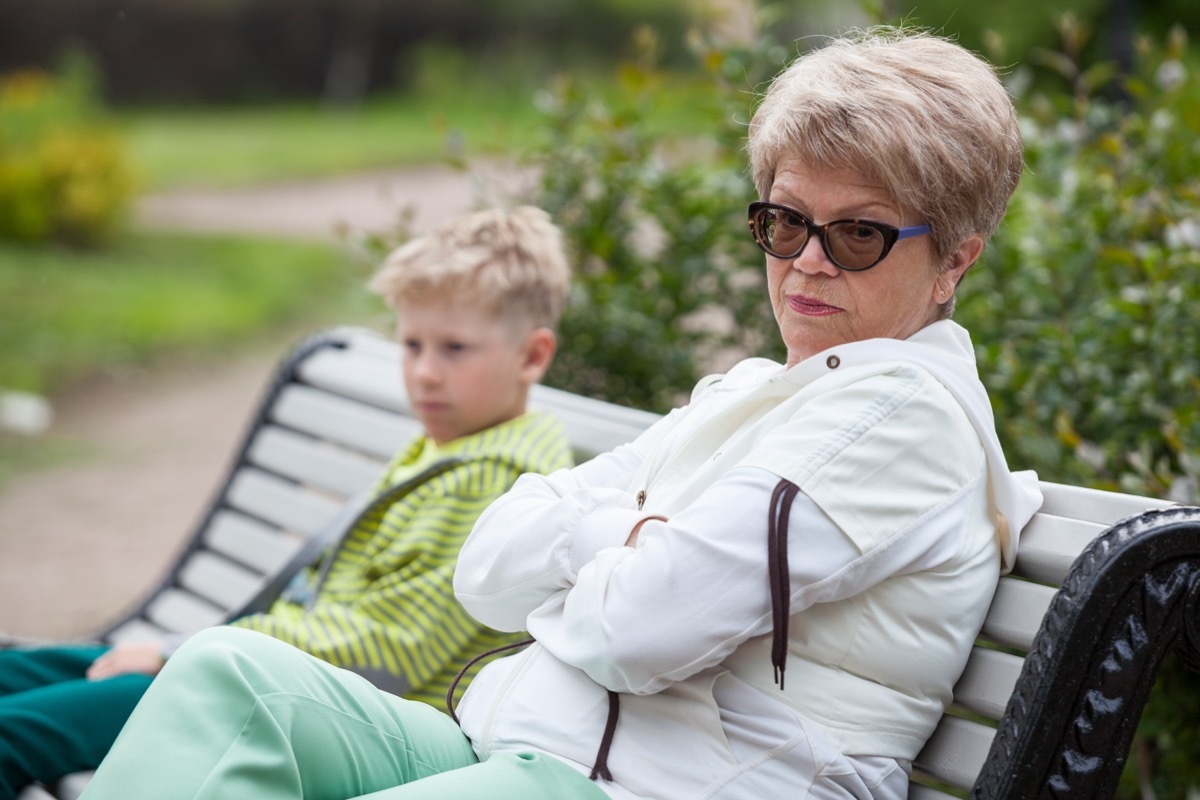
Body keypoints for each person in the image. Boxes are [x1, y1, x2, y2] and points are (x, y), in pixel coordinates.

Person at [77, 27, 1044, 800]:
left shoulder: (900, 413)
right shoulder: (753, 392)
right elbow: (485, 570)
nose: (807, 261)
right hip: (518, 751)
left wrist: (596, 551)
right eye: (785, 220)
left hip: (654, 786)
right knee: (230, 678)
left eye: (861, 234)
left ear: (956, 256)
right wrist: (632, 534)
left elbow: (641, 633)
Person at [0, 205, 574, 800]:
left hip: (324, 707)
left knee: (10, 734)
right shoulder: (457, 442)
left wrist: (174, 654)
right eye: (411, 345)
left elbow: (386, 649)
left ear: (532, 356)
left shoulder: (496, 479)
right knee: (12, 674)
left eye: (454, 349)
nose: (424, 373)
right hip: (271, 667)